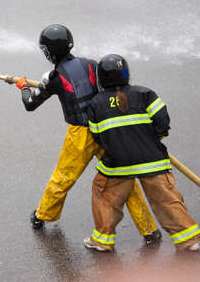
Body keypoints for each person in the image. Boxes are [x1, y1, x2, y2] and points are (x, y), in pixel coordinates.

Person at [17, 24, 161, 243]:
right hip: (105, 129)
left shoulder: (54, 78)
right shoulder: (92, 65)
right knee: (125, 179)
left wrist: (24, 87)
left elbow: (30, 104)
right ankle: (149, 230)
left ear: (48, 52)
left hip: (80, 135)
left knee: (63, 177)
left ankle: (41, 216)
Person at [83, 54, 200, 252]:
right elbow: (163, 123)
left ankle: (102, 241)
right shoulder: (146, 93)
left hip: (117, 165)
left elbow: (97, 136)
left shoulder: (96, 103)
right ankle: (189, 241)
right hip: (152, 160)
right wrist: (150, 142)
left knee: (104, 197)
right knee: (166, 199)